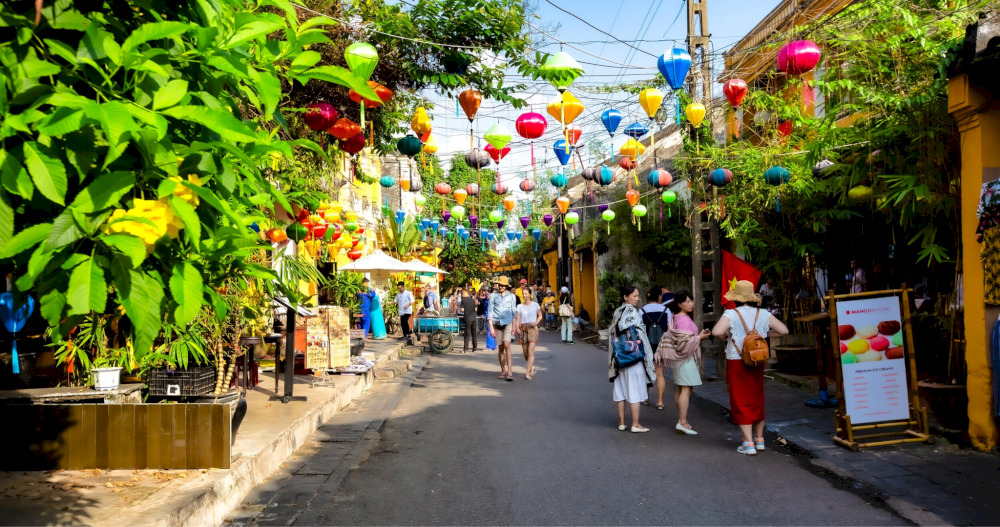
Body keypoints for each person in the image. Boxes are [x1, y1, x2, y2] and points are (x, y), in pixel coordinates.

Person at [711, 280, 789, 455]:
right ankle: (760, 440)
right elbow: (784, 331)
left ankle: (748, 443)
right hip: (757, 358)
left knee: (740, 399)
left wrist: (728, 336)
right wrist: (762, 334)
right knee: (756, 396)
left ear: (736, 298)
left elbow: (716, 332)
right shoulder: (763, 313)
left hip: (736, 359)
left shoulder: (731, 314)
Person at [658, 290, 710, 435]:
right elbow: (684, 342)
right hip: (685, 358)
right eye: (687, 301)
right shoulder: (684, 320)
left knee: (681, 388)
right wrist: (699, 337)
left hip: (678, 358)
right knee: (686, 389)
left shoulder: (675, 317)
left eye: (691, 301)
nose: (691, 303)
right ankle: (682, 421)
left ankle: (682, 421)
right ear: (679, 304)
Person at [608, 285, 656, 433]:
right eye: (634, 296)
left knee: (620, 390)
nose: (637, 298)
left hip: (619, 358)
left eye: (637, 296)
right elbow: (624, 325)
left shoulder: (617, 311)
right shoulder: (630, 310)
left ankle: (622, 423)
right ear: (625, 297)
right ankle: (635, 424)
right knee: (634, 390)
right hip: (632, 356)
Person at [640, 286, 671, 410]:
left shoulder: (642, 310)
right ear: (659, 297)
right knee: (660, 373)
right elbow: (669, 329)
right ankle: (660, 402)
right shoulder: (666, 310)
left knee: (646, 371)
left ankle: (646, 397)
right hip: (661, 344)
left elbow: (639, 328)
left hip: (646, 344)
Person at [488, 276, 518, 381]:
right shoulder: (493, 296)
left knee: (507, 345)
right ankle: (503, 370)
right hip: (497, 324)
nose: (500, 287)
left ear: (506, 286)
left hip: (508, 323)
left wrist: (514, 326)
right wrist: (491, 328)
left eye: (502, 285)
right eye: (499, 285)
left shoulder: (512, 297)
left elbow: (514, 313)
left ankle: (510, 370)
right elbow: (490, 312)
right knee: (500, 347)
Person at [514, 281, 543, 380]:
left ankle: (527, 373)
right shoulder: (519, 306)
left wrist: (536, 322)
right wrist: (517, 327)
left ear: (530, 294)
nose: (524, 295)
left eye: (526, 294)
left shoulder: (535, 305)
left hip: (532, 329)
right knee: (525, 353)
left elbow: (540, 315)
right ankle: (531, 366)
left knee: (530, 352)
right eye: (523, 294)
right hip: (523, 329)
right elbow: (518, 318)